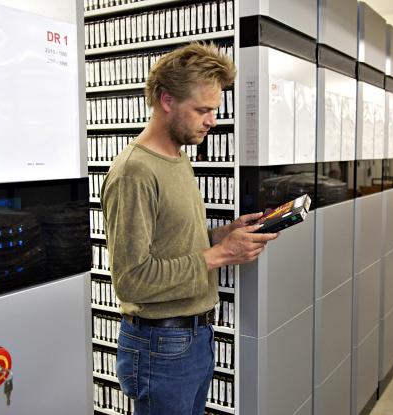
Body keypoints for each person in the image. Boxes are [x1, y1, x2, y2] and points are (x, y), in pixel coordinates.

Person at [101, 42, 279, 415]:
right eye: (203, 109)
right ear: (166, 100)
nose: (212, 120)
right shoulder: (134, 172)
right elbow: (131, 279)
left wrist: (224, 235)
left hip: (193, 337)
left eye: (213, 109)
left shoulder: (179, 159)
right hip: (159, 344)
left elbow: (173, 241)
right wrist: (219, 255)